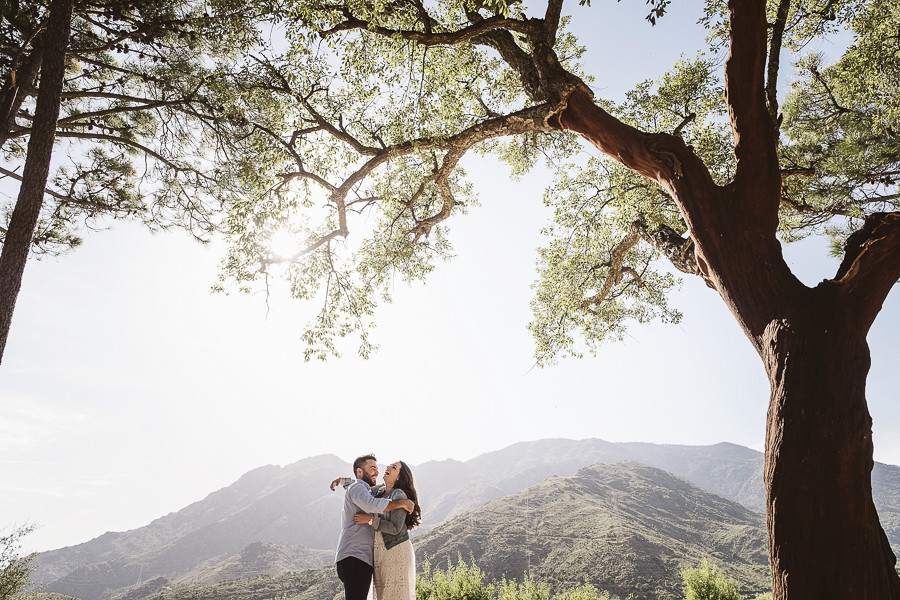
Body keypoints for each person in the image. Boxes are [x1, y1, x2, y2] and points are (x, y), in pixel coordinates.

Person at [332, 454, 415, 600]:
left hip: (370, 556)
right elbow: (370, 504)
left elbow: (394, 527)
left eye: (377, 468)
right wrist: (402, 503)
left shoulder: (374, 491)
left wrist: (342, 480)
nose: (377, 471)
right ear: (359, 472)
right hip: (354, 556)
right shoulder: (358, 488)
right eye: (372, 468)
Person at [352, 461, 420, 600]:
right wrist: (341, 480)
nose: (388, 467)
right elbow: (359, 485)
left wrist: (369, 520)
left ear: (399, 477)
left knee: (394, 594)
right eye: (389, 466)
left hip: (396, 551)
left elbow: (395, 528)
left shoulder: (399, 495)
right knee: (382, 595)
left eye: (393, 467)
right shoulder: (379, 492)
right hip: (380, 551)